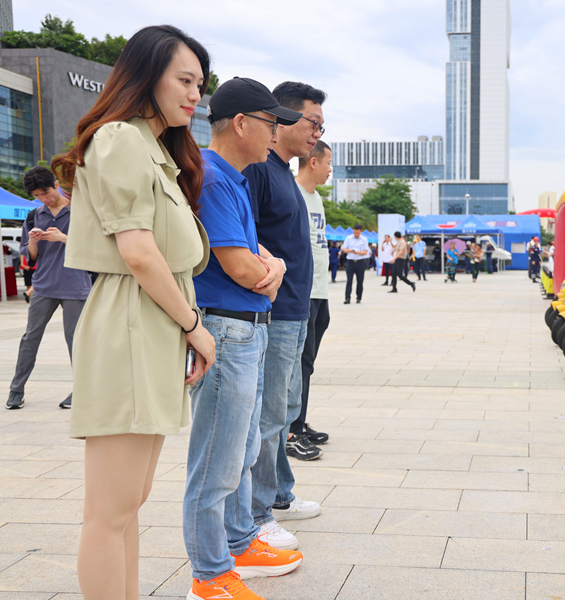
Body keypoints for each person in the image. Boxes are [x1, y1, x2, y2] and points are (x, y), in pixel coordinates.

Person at [53, 26, 216, 600]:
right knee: (109, 510)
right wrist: (196, 329)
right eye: (185, 80)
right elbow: (140, 254)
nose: (196, 94)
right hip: (131, 320)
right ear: (146, 75)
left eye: (201, 83)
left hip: (149, 322)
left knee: (129, 504)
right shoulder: (120, 138)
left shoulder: (154, 146)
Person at [185, 76, 303, 599]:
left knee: (242, 447)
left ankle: (238, 541)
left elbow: (265, 257)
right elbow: (242, 266)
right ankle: (209, 574)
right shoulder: (212, 177)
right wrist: (266, 268)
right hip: (226, 330)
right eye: (271, 122)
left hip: (247, 330)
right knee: (216, 459)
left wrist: (268, 266)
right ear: (240, 124)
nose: (276, 132)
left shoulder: (235, 178)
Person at [242, 81, 327, 553]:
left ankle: (279, 492)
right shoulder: (260, 171)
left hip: (296, 309)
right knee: (270, 415)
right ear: (284, 118)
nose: (317, 133)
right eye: (313, 123)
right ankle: (257, 515)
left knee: (285, 411)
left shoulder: (286, 175)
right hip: (273, 311)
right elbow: (244, 237)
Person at [6, 166, 91, 410]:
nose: (44, 198)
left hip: (75, 284)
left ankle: (81, 392)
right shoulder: (35, 215)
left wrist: (63, 238)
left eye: (45, 192)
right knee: (30, 338)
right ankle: (16, 390)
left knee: (75, 340)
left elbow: (94, 246)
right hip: (43, 285)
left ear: (55, 183)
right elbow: (31, 257)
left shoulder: (81, 209)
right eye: (37, 195)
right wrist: (33, 240)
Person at [286, 139, 333, 463]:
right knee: (297, 365)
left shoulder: (316, 198)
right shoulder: (294, 193)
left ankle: (299, 421)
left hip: (320, 291)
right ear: (313, 162)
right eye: (328, 163)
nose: (331, 169)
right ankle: (290, 430)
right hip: (301, 292)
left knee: (307, 364)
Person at [342, 224, 370, 303]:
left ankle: (358, 297)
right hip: (350, 262)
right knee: (349, 281)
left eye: (357, 233)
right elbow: (344, 249)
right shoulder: (349, 238)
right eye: (355, 233)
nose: (356, 234)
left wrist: (358, 252)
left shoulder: (364, 239)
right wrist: (350, 250)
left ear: (361, 231)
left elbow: (365, 252)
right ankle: (347, 298)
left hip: (360, 262)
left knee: (360, 281)